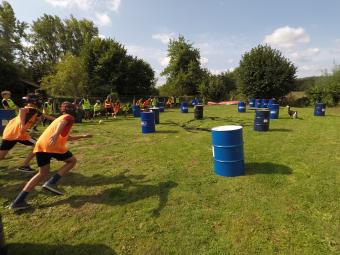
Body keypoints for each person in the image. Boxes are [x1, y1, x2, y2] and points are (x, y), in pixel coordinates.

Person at [10, 102, 92, 211]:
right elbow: (63, 122)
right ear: (73, 110)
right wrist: (56, 134)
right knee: (72, 161)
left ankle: (18, 201)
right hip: (52, 146)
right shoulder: (68, 117)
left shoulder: (58, 118)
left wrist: (83, 136)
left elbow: (67, 137)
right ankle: (51, 183)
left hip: (40, 145)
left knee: (42, 173)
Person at [0, 93, 54, 173]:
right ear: (35, 102)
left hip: (10, 133)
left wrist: (61, 119)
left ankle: (24, 165)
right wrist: (22, 125)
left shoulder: (34, 110)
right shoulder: (31, 109)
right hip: (19, 134)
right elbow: (22, 110)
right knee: (39, 145)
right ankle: (24, 165)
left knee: (2, 155)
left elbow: (47, 116)